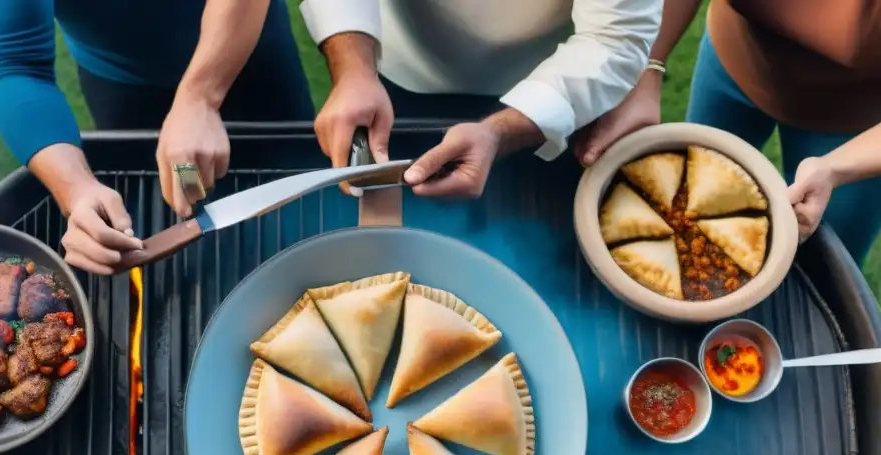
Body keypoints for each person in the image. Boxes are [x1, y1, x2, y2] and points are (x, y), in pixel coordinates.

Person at [0, 0, 313, 275]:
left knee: (299, 203)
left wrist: (200, 96)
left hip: (247, 47)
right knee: (175, 206)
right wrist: (76, 189)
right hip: (119, 81)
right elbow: (11, 60)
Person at [575, 0, 881, 265]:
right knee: (695, 196)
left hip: (855, 127)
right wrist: (648, 68)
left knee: (819, 258)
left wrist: (833, 169)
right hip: (734, 58)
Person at [299, 0, 662, 198]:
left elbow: (614, 38)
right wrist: (353, 70)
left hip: (551, 84)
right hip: (396, 68)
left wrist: (501, 132)